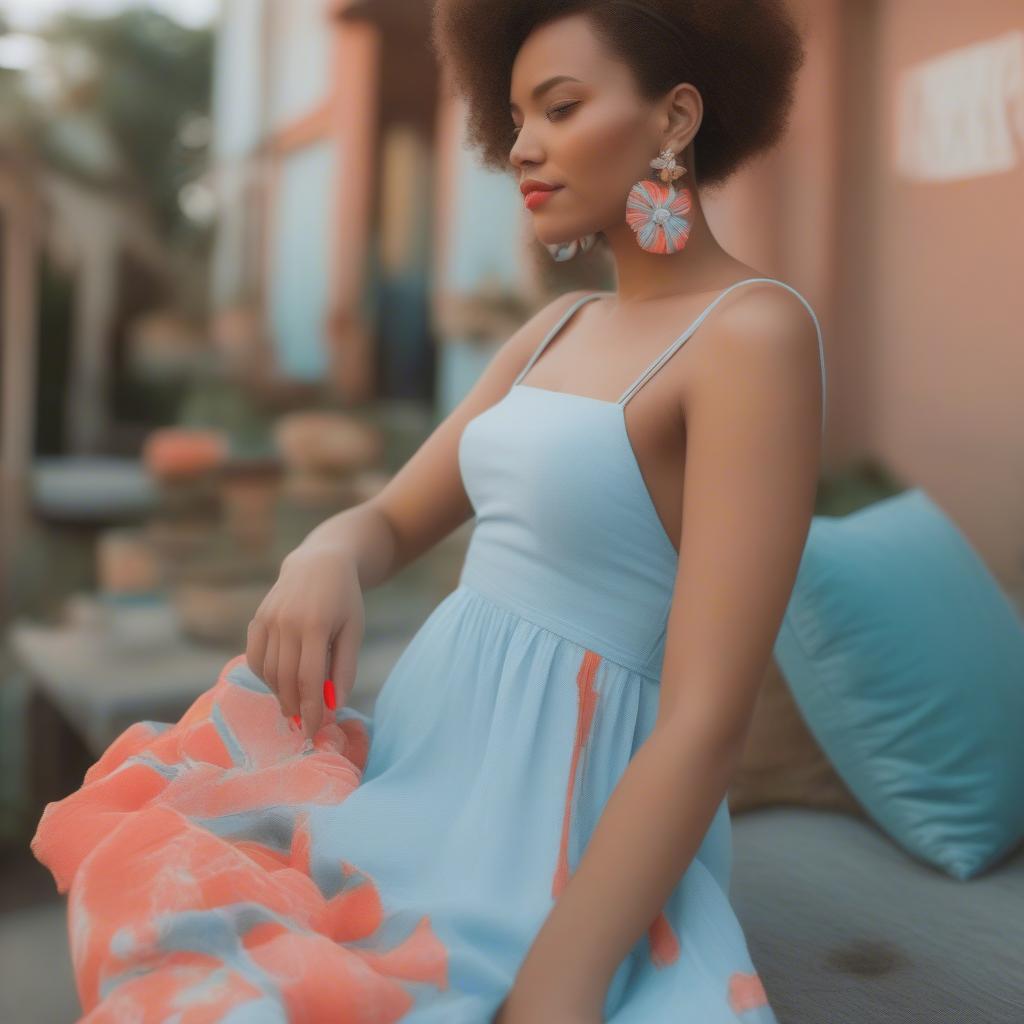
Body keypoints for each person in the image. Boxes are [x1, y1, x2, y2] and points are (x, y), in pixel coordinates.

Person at [31, 1, 825, 1020]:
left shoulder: (751, 335)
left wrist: (563, 979)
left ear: (675, 119)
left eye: (561, 107)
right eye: (515, 117)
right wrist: (326, 550)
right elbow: (391, 518)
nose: (522, 148)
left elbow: (708, 716)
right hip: (415, 777)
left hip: (540, 829)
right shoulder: (555, 328)